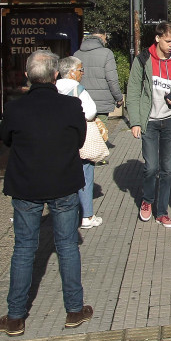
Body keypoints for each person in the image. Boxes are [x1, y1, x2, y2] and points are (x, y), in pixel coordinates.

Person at [0, 50, 93, 337]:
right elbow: (79, 139)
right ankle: (74, 310)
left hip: (26, 185)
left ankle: (15, 316)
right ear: (55, 75)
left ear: (28, 75)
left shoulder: (14, 108)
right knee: (66, 246)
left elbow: (5, 140)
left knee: (24, 248)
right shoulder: (70, 106)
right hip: (63, 183)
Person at [126, 22, 171, 228]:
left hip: (170, 121)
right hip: (149, 121)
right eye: (168, 41)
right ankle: (147, 200)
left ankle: (162, 212)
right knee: (151, 166)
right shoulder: (143, 59)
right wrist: (135, 121)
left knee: (167, 169)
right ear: (158, 39)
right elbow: (134, 90)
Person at [57, 56, 103, 230]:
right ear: (71, 72)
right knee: (85, 175)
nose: (82, 73)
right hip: (79, 139)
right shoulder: (78, 89)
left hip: (59, 140)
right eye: (80, 70)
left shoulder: (54, 88)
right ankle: (87, 215)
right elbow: (90, 112)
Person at [74, 29, 123, 166]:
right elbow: (112, 79)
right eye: (106, 38)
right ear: (102, 37)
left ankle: (84, 155)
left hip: (82, 99)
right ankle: (98, 156)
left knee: (84, 128)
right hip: (101, 100)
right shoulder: (107, 53)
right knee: (101, 127)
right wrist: (118, 97)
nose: (106, 41)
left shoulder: (77, 54)